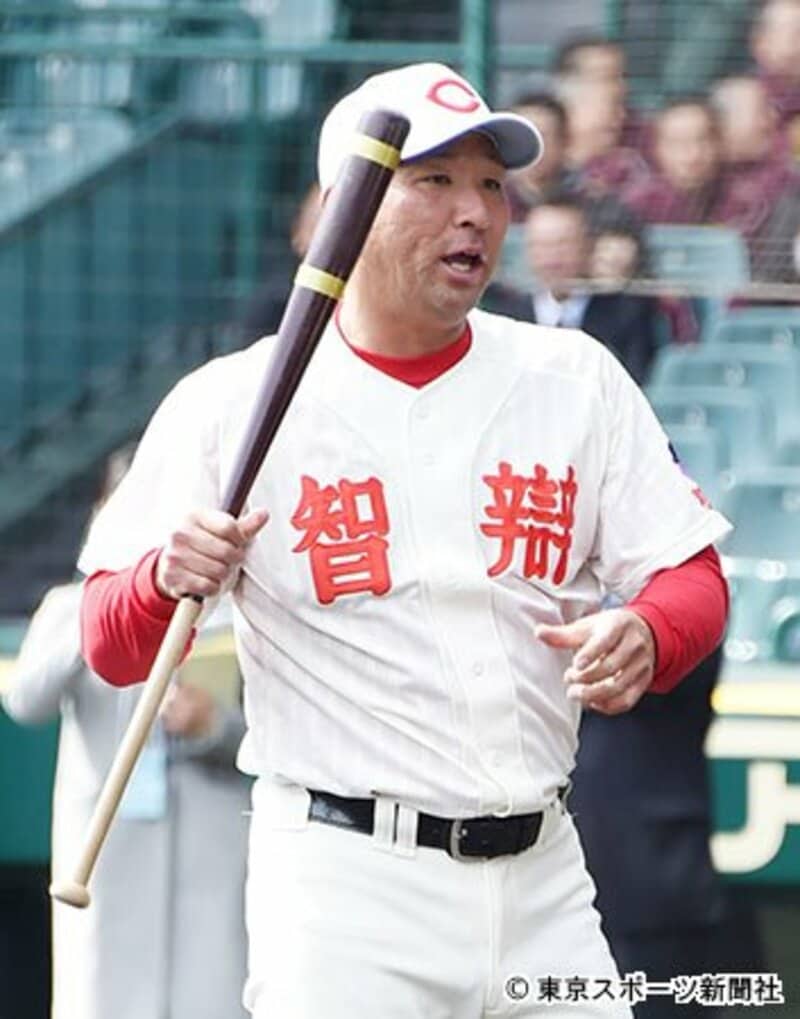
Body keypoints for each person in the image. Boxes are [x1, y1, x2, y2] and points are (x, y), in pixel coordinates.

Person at [76, 62, 732, 1019]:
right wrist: (161, 579)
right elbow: (110, 641)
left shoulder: (573, 377)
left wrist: (650, 628)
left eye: (490, 184)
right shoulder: (232, 403)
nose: (475, 211)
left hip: (545, 873)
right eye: (434, 180)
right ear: (344, 211)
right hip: (347, 886)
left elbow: (693, 575)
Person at [2, 447, 251, 1019]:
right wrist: (106, 614)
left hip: (209, 857)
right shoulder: (69, 608)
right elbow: (26, 700)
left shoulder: (228, 615)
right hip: (110, 857)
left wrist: (211, 725)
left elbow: (271, 744)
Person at [484, 196, 661, 384]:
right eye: (541, 246)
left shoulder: (627, 315)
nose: (551, 259)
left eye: (562, 245)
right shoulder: (505, 320)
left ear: (588, 247)